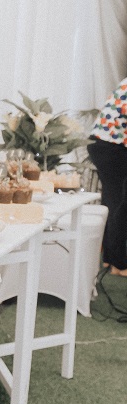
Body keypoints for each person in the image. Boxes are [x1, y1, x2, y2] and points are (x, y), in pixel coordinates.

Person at [88, 77, 127, 275]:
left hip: (104, 144)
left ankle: (108, 259)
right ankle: (118, 264)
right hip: (112, 147)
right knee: (120, 204)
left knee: (112, 202)